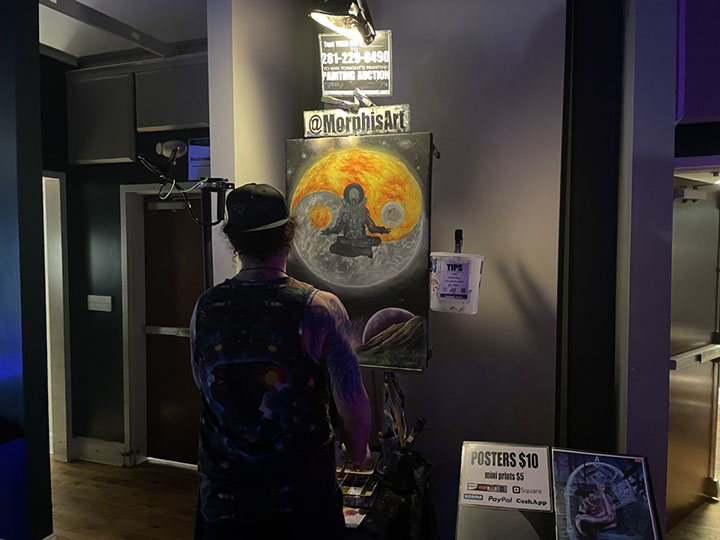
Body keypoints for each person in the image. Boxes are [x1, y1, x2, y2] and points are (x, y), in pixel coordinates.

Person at [190, 183, 372, 540]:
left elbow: (202, 383)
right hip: (302, 504)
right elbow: (352, 405)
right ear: (289, 235)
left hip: (225, 502)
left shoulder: (206, 306)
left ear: (234, 241)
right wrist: (359, 453)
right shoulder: (320, 308)